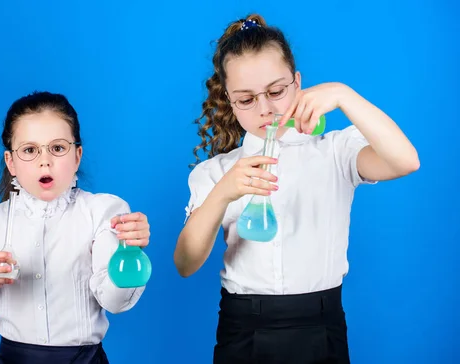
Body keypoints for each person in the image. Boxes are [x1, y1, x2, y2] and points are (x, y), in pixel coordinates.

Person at [173, 13, 419, 364]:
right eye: (246, 99)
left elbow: (405, 160)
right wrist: (223, 194)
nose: (266, 109)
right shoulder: (215, 173)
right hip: (244, 328)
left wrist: (343, 94)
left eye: (276, 91)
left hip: (321, 323)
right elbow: (184, 263)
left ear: (298, 82)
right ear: (228, 99)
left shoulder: (335, 152)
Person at [0, 91, 151, 364]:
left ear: (77, 156)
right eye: (30, 150)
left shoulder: (103, 213)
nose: (45, 160)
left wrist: (130, 256)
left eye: (57, 148)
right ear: (11, 162)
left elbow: (115, 302)